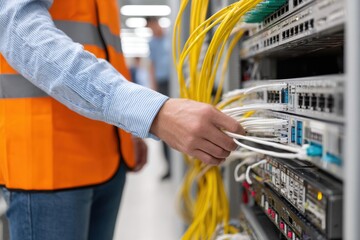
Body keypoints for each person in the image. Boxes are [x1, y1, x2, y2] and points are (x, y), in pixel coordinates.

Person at [0, 1, 245, 240]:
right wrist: (150, 112)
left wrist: (125, 128)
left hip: (107, 154)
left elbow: (104, 50)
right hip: (46, 163)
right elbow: (19, 31)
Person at [146, 16, 173, 180]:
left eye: (152, 27)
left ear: (157, 23)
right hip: (162, 84)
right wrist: (153, 88)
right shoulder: (152, 43)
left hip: (175, 81)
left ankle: (179, 166)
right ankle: (170, 167)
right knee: (165, 125)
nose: (152, 31)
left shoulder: (172, 35)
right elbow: (151, 65)